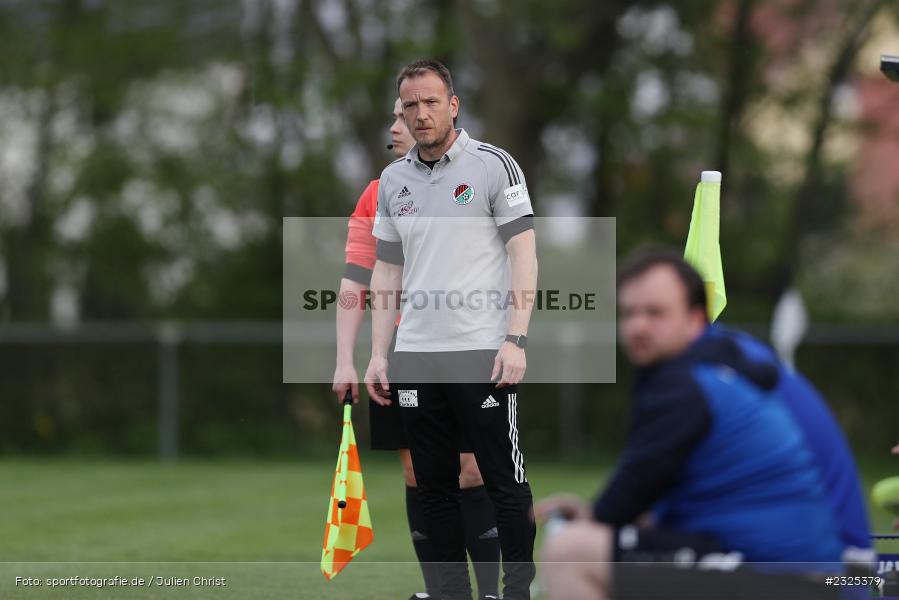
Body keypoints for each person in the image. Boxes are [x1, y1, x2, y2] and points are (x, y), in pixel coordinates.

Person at [536, 248, 843, 600]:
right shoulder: (713, 372)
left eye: (655, 313)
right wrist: (595, 514)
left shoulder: (684, 385)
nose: (638, 326)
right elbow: (651, 501)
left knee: (569, 552)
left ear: (695, 319)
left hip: (781, 577)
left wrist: (592, 518)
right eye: (629, 313)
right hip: (800, 575)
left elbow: (634, 488)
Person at [364, 59, 539, 600]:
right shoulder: (393, 181)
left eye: (431, 102)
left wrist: (515, 339)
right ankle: (451, 594)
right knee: (433, 488)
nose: (420, 114)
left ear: (453, 105)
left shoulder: (493, 165)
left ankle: (516, 593)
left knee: (503, 482)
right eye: (410, 105)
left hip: (482, 353)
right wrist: (379, 354)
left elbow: (524, 253)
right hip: (416, 355)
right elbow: (386, 270)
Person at [333, 97, 500, 600]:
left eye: (404, 115)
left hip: (468, 346)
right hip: (403, 352)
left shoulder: (477, 179)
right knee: (418, 471)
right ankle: (443, 592)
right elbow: (355, 280)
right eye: (396, 114)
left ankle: (492, 592)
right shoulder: (378, 192)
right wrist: (345, 359)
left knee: (472, 467)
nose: (396, 125)